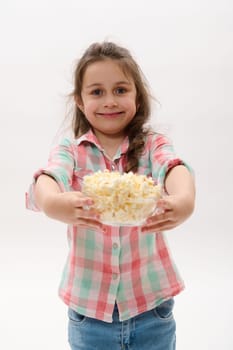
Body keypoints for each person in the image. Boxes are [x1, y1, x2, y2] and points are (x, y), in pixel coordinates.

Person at [26, 41, 195, 350]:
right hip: (89, 314)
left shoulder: (152, 145)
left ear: (136, 96)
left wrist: (184, 199)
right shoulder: (71, 151)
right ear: (79, 100)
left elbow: (173, 166)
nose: (109, 101)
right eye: (96, 92)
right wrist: (52, 202)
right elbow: (49, 178)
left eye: (120, 90)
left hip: (151, 309)